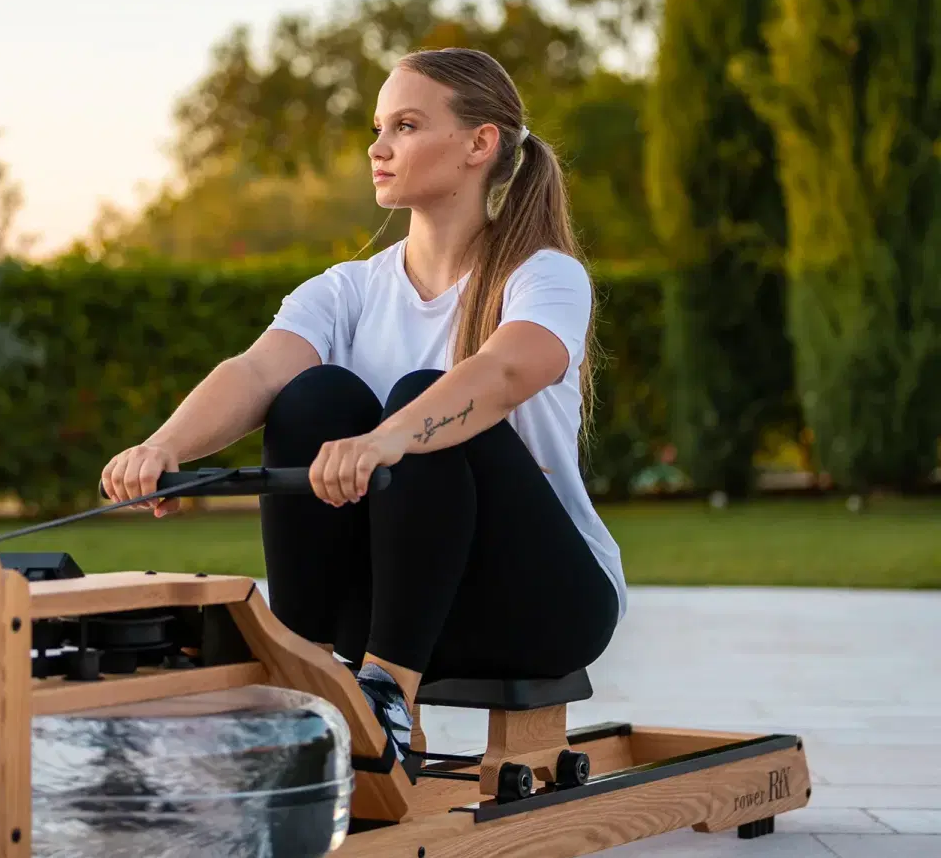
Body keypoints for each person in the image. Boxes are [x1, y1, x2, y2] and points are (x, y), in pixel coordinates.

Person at [101, 47, 625, 766]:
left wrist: (392, 438)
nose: (378, 149)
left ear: (481, 143)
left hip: (538, 603)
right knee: (313, 396)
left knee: (421, 398)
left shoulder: (545, 275)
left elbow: (505, 371)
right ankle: (307, 673)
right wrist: (165, 446)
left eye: (406, 126)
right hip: (388, 602)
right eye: (378, 128)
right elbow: (256, 371)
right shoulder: (347, 289)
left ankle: (385, 701)